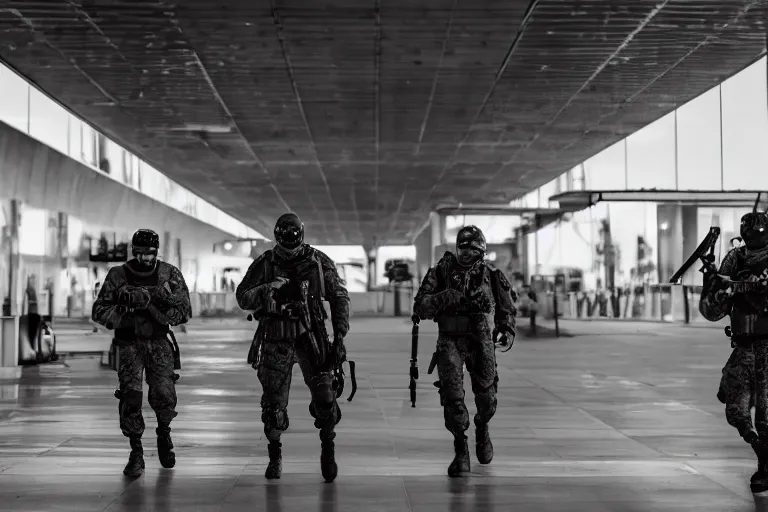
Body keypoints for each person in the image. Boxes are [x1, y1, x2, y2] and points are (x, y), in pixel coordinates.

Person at [236, 213, 350, 482]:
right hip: (276, 337)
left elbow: (338, 295)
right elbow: (243, 297)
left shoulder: (318, 262)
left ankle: (328, 446)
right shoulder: (265, 263)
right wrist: (268, 288)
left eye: (294, 242)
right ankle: (274, 455)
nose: (291, 248)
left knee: (325, 396)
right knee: (274, 406)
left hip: (311, 335)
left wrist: (340, 333)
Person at [413, 225, 517, 477]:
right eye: (463, 246)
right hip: (449, 339)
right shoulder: (441, 272)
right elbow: (420, 306)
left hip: (480, 339)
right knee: (452, 395)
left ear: (481, 250)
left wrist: (506, 329)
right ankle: (460, 449)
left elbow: (507, 308)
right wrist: (448, 297)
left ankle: (482, 428)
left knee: (487, 398)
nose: (467, 252)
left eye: (473, 247)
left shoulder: (491, 275)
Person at [92, 229, 191, 478]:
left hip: (159, 343)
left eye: (150, 254)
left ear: (157, 252)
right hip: (129, 345)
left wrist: (156, 306)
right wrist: (124, 308)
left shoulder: (169, 274)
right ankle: (136, 452)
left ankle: (164, 433)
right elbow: (99, 310)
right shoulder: (118, 275)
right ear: (133, 251)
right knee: (131, 399)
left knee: (164, 394)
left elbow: (185, 310)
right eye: (140, 253)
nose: (145, 258)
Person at [700, 211, 768, 494]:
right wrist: (715, 286)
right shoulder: (734, 258)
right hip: (742, 347)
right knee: (737, 411)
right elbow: (711, 311)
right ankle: (762, 452)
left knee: (765, 414)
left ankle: (764, 466)